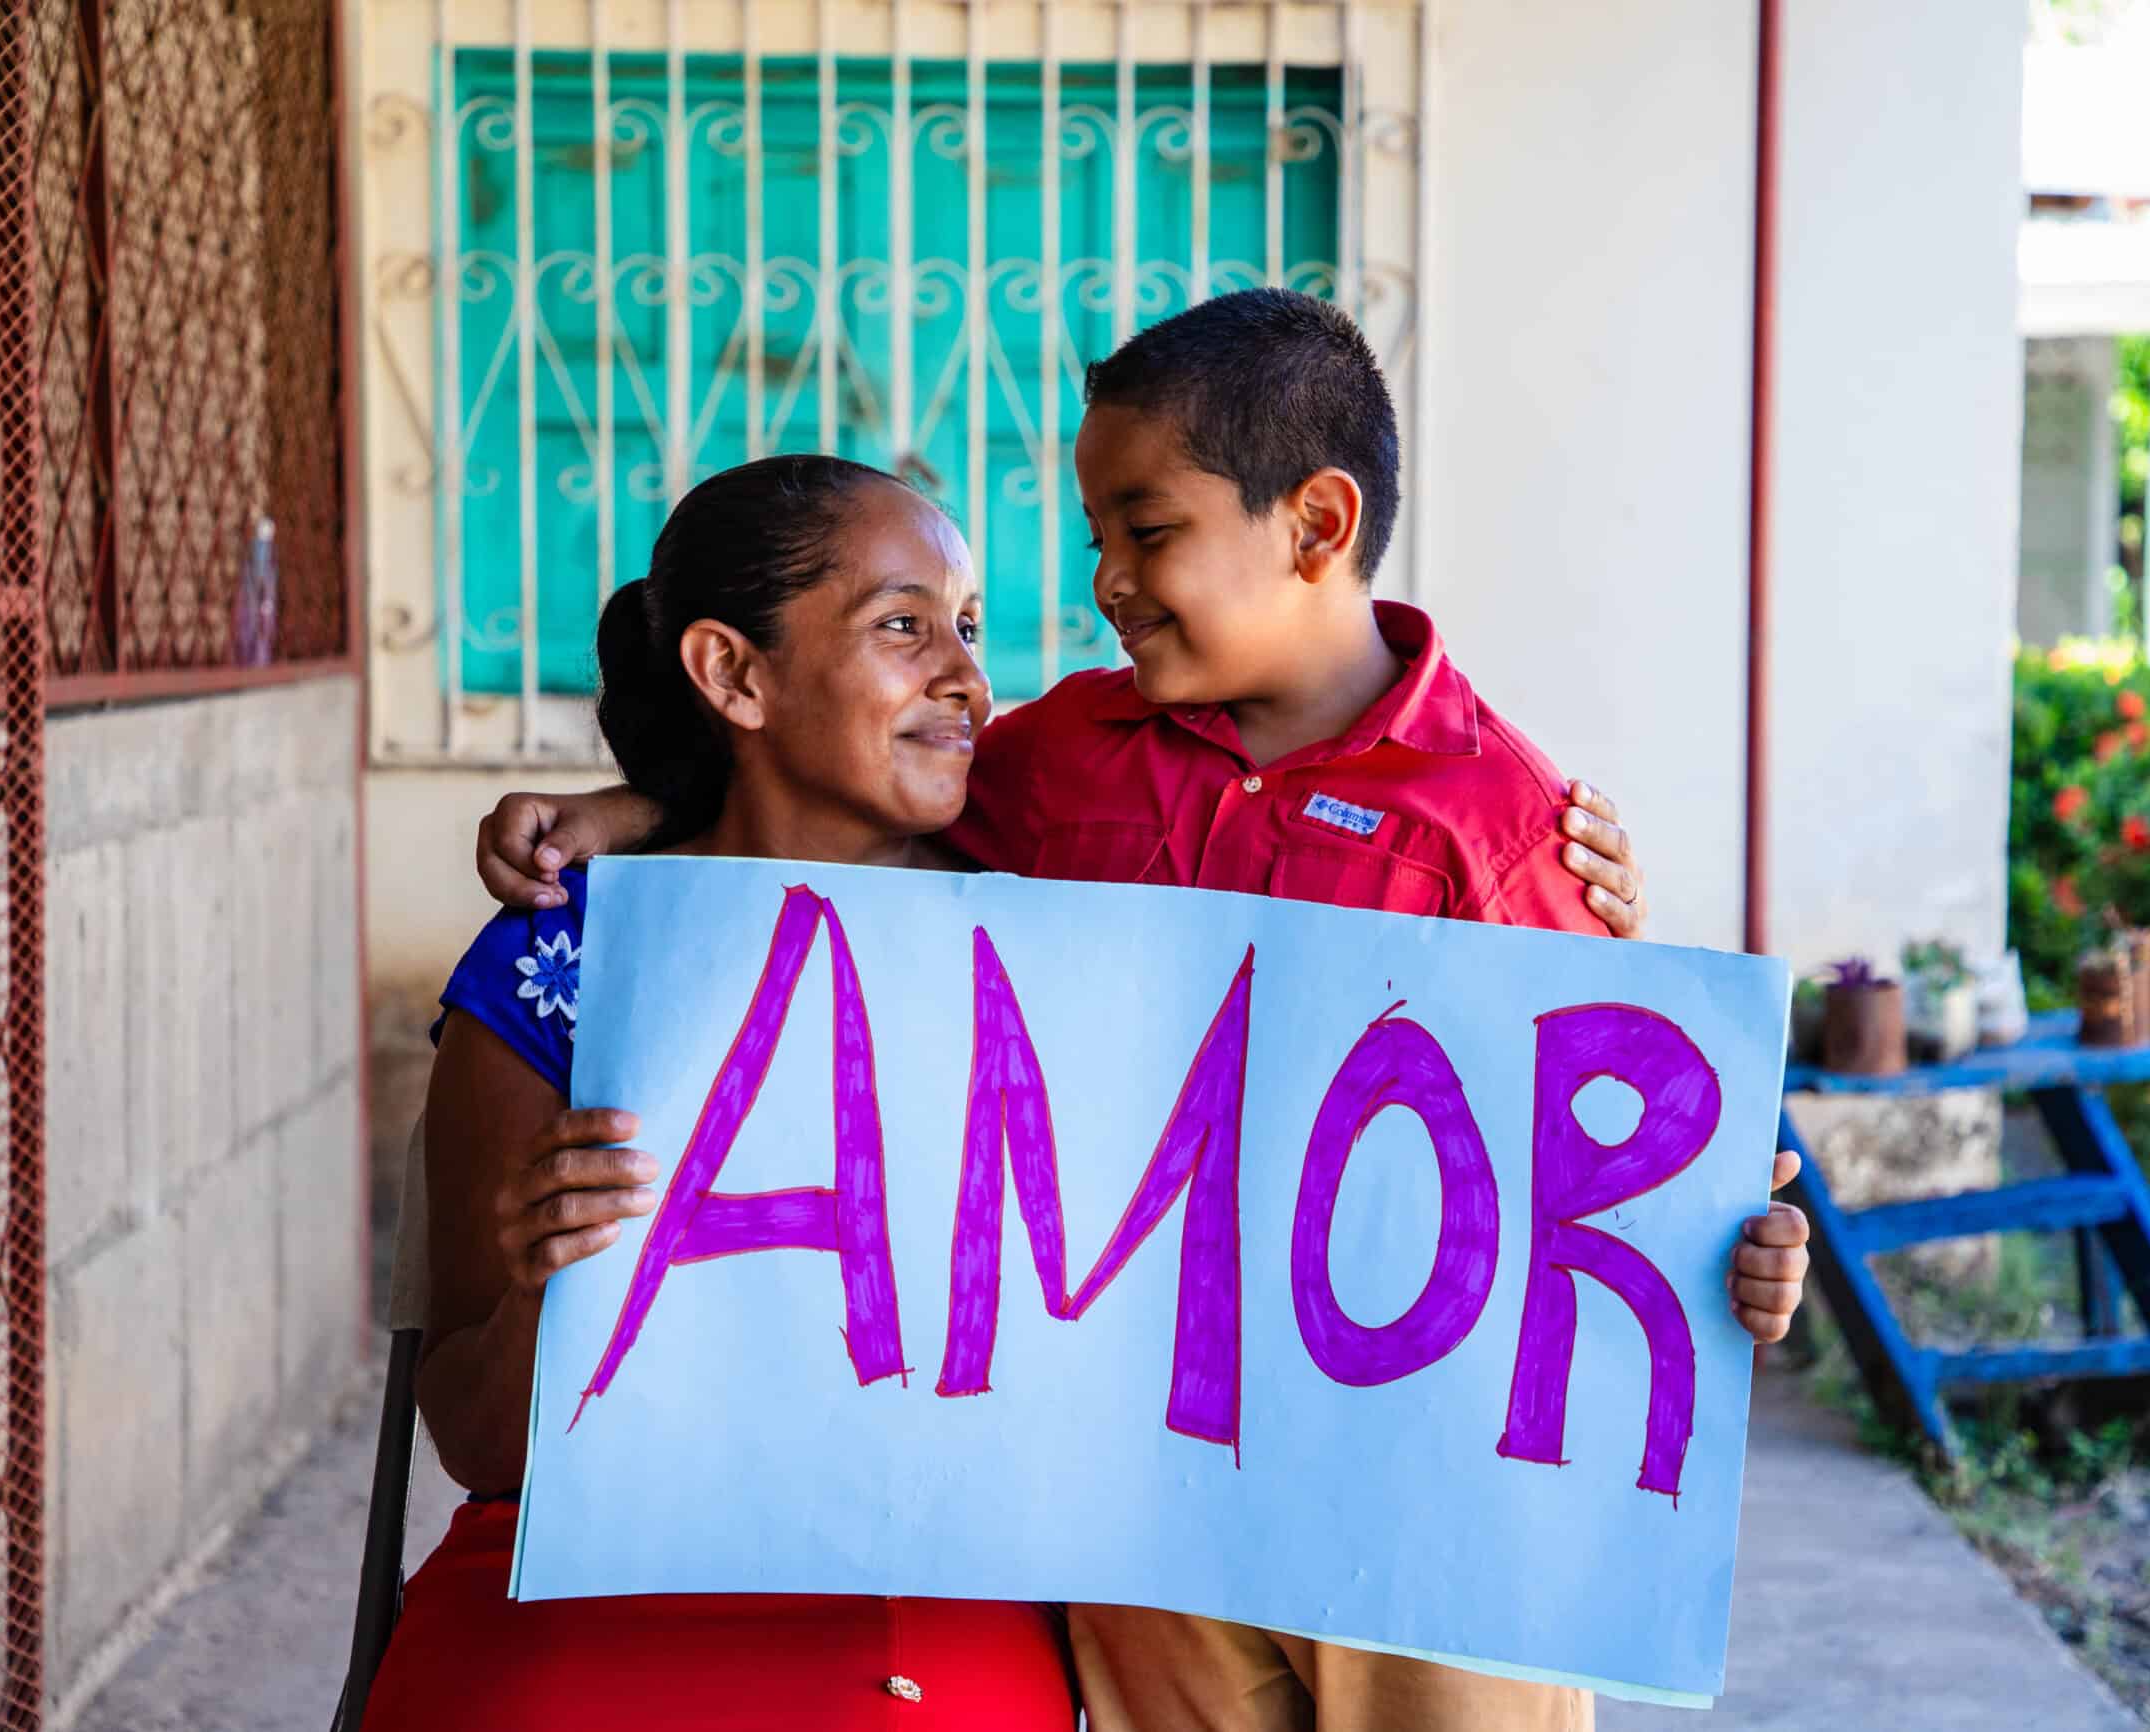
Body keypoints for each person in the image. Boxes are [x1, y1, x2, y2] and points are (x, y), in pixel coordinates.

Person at [473, 288, 1813, 1732]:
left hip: (1433, 1523)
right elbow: (841, 798)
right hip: (1149, 1512)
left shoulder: (1504, 822)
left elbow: (1603, 1173)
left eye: (1147, 530)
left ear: (1316, 524)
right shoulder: (1063, 761)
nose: (1106, 578)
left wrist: (1727, 1258)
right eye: (1099, 535)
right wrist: (639, 811)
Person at [365, 456, 1078, 1731]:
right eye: (903, 626)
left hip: (919, 1576)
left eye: (968, 628)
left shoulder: (1052, 933)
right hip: (583, 1566)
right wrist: (553, 1291)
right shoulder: (564, 960)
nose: (970, 678)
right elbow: (479, 1443)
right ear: (732, 674)